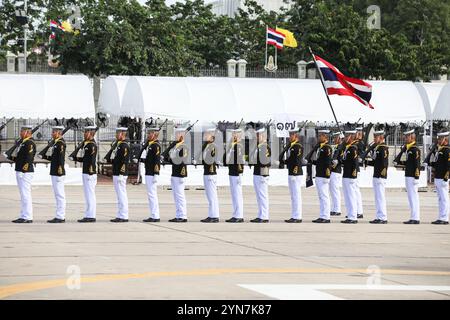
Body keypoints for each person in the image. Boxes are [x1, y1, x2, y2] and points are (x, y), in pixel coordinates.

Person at [9, 125, 36, 223]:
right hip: (21, 170)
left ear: (28, 132)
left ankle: (28, 216)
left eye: (22, 131)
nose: (20, 133)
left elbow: (28, 159)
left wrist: (23, 171)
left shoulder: (29, 143)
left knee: (25, 194)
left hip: (25, 172)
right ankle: (23, 215)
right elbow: (20, 158)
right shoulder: (23, 143)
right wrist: (10, 157)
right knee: (23, 195)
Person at [394, 128, 421, 224]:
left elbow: (417, 164)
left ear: (412, 137)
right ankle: (413, 217)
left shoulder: (415, 149)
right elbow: (408, 163)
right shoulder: (408, 148)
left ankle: (415, 218)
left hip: (412, 176)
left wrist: (417, 177)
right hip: (408, 175)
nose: (405, 138)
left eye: (407, 136)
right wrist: (399, 162)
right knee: (411, 197)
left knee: (413, 197)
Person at [71, 126, 98, 223]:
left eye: (86, 132)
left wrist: (90, 172)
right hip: (86, 171)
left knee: (90, 195)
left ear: (91, 133)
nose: (84, 134)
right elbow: (85, 159)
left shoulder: (92, 145)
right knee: (87, 195)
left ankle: (91, 215)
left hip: (89, 173)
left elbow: (91, 160)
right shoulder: (87, 144)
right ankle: (88, 214)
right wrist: (75, 158)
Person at [41, 126, 67, 223]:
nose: (52, 134)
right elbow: (54, 158)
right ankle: (59, 215)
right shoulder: (56, 143)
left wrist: (59, 171)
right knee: (57, 194)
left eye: (54, 132)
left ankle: (60, 216)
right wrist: (45, 156)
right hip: (55, 171)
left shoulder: (60, 143)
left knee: (60, 195)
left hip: (58, 172)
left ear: (59, 133)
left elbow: (60, 159)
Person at [280, 129, 304, 223]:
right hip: (292, 172)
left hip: (296, 173)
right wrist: (284, 162)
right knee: (293, 196)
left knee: (296, 195)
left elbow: (296, 161)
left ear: (296, 136)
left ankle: (297, 216)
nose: (290, 137)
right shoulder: (292, 145)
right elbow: (290, 159)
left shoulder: (298, 147)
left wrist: (293, 172)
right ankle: (294, 215)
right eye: (290, 135)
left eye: (292, 135)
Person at [365, 129, 389, 224]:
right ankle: (379, 216)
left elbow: (384, 163)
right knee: (377, 197)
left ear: (381, 137)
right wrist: (366, 162)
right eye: (374, 136)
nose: (374, 138)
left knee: (380, 197)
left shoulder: (383, 148)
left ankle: (382, 217)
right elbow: (376, 162)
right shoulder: (378, 148)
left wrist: (381, 175)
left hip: (380, 176)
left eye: (376, 137)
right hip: (376, 175)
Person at [107, 127, 130, 223]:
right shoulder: (119, 145)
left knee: (122, 195)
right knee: (119, 195)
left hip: (120, 174)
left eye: (118, 133)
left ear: (123, 134)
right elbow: (118, 159)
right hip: (117, 173)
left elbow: (124, 161)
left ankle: (124, 215)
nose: (116, 135)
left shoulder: (124, 146)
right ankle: (120, 214)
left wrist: (121, 173)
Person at [166, 127, 189, 222]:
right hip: (174, 172)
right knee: (176, 196)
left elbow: (183, 161)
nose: (176, 135)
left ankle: (183, 215)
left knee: (180, 195)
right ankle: (178, 214)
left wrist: (182, 175)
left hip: (179, 174)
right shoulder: (176, 146)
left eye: (178, 134)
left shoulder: (183, 146)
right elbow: (173, 159)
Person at [311, 129, 332, 223]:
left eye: (320, 136)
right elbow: (320, 161)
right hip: (319, 174)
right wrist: (312, 162)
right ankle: (322, 215)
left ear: (325, 136)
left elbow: (328, 163)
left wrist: (327, 175)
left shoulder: (327, 148)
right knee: (321, 196)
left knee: (324, 196)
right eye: (318, 135)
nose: (318, 137)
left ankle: (326, 216)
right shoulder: (321, 147)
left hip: (323, 175)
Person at [428, 129, 449, 225]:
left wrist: (446, 178)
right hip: (438, 177)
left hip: (442, 178)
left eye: (441, 139)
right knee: (440, 198)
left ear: (445, 139)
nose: (439, 140)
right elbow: (438, 163)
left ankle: (444, 218)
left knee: (444, 198)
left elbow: (449, 165)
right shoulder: (439, 150)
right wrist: (429, 163)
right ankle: (441, 217)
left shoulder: (447, 150)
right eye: (439, 139)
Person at [250, 128, 271, 223]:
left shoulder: (265, 147)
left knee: (263, 195)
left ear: (264, 136)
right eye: (257, 135)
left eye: (260, 135)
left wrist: (264, 175)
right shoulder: (259, 146)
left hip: (262, 174)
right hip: (256, 172)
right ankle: (260, 214)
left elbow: (265, 162)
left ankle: (264, 216)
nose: (258, 137)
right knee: (259, 196)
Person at [142, 127, 162, 223]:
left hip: (152, 173)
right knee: (150, 195)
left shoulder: (156, 145)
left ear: (155, 134)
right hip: (148, 172)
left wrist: (156, 173)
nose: (148, 135)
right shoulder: (150, 145)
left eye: (150, 133)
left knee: (152, 194)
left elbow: (157, 161)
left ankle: (155, 215)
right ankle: (153, 214)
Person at [200, 128, 220, 223]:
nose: (205, 136)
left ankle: (215, 216)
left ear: (212, 136)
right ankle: (211, 215)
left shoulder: (212, 146)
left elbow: (210, 159)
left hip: (211, 173)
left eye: (207, 134)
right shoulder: (207, 146)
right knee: (209, 196)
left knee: (212, 196)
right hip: (207, 172)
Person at [225, 129, 245, 223]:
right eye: (233, 134)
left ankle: (239, 216)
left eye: (235, 134)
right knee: (234, 195)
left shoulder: (239, 146)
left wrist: (239, 172)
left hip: (236, 173)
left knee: (237, 195)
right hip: (231, 172)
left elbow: (240, 160)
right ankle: (236, 214)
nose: (233, 136)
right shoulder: (232, 145)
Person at [341, 130, 359, 224]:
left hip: (350, 176)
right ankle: (350, 215)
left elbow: (355, 163)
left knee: (351, 196)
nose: (344, 138)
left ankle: (353, 217)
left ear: (351, 137)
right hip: (346, 174)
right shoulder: (347, 148)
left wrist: (353, 175)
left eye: (346, 136)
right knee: (347, 196)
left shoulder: (353, 149)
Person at [330, 131, 344, 217]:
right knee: (332, 190)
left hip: (336, 170)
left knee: (335, 190)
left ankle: (337, 209)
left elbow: (341, 159)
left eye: (336, 137)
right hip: (333, 170)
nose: (334, 139)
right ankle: (334, 208)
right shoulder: (337, 147)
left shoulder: (341, 147)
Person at [354, 126, 365, 219]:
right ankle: (355, 210)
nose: (358, 133)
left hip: (356, 169)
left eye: (360, 132)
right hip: (353, 168)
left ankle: (359, 211)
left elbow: (361, 155)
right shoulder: (354, 143)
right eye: (357, 132)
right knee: (354, 191)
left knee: (356, 190)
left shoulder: (360, 143)